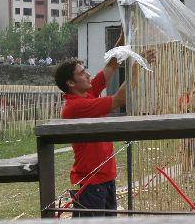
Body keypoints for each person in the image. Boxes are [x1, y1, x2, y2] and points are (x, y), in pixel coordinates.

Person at [55, 31, 155, 217]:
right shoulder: (76, 106)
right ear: (71, 83)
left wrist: (126, 30)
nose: (88, 74)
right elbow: (120, 98)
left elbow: (112, 64)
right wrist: (138, 67)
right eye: (82, 73)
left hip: (105, 177)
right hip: (92, 182)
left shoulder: (88, 93)